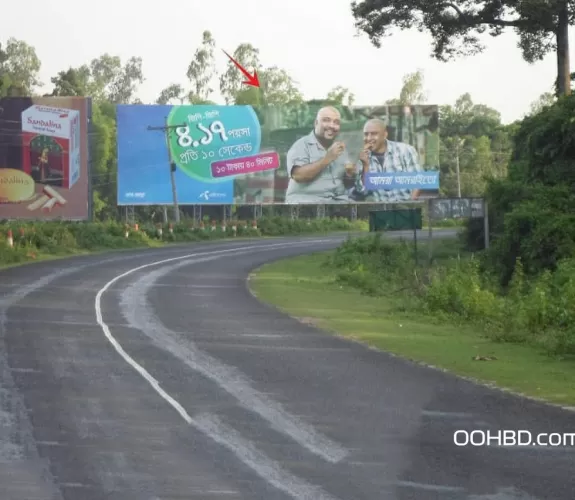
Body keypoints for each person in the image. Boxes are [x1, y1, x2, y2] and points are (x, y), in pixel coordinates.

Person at [284, 106, 356, 204]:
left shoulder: (341, 149)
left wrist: (349, 174)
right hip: (307, 202)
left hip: (338, 202)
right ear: (316, 123)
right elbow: (298, 175)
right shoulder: (301, 145)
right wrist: (327, 158)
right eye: (326, 120)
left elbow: (347, 183)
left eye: (336, 122)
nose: (332, 125)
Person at [350, 118, 423, 203]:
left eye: (374, 134)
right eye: (366, 134)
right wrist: (365, 165)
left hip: (407, 204)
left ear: (385, 135)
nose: (369, 138)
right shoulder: (362, 158)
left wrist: (410, 205)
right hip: (382, 209)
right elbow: (363, 191)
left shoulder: (405, 150)